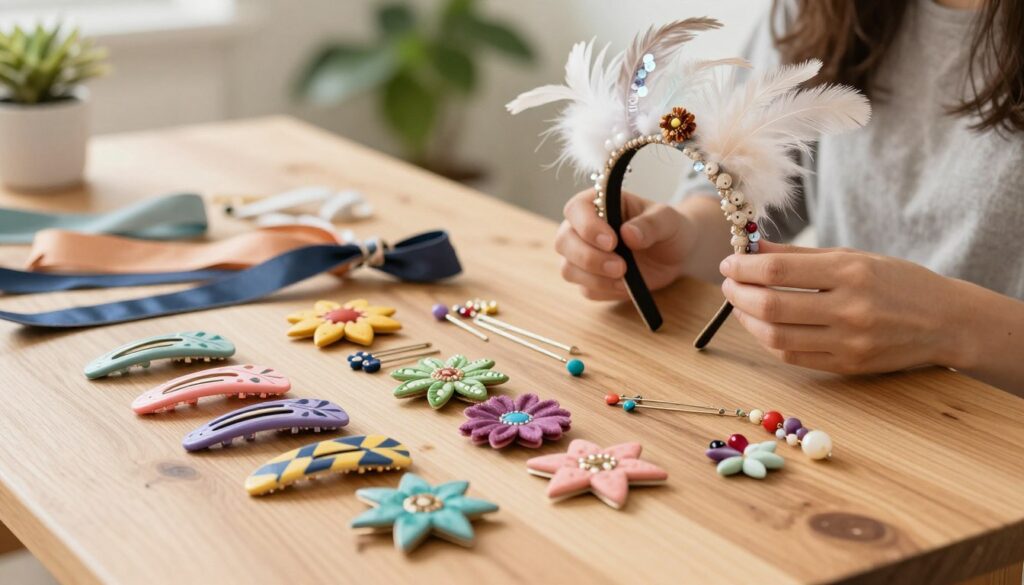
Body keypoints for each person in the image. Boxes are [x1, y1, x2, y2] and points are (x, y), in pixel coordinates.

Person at [553, 0, 1024, 394]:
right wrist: (683, 239)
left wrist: (950, 323)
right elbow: (753, 196)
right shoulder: (824, 9)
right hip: (853, 413)